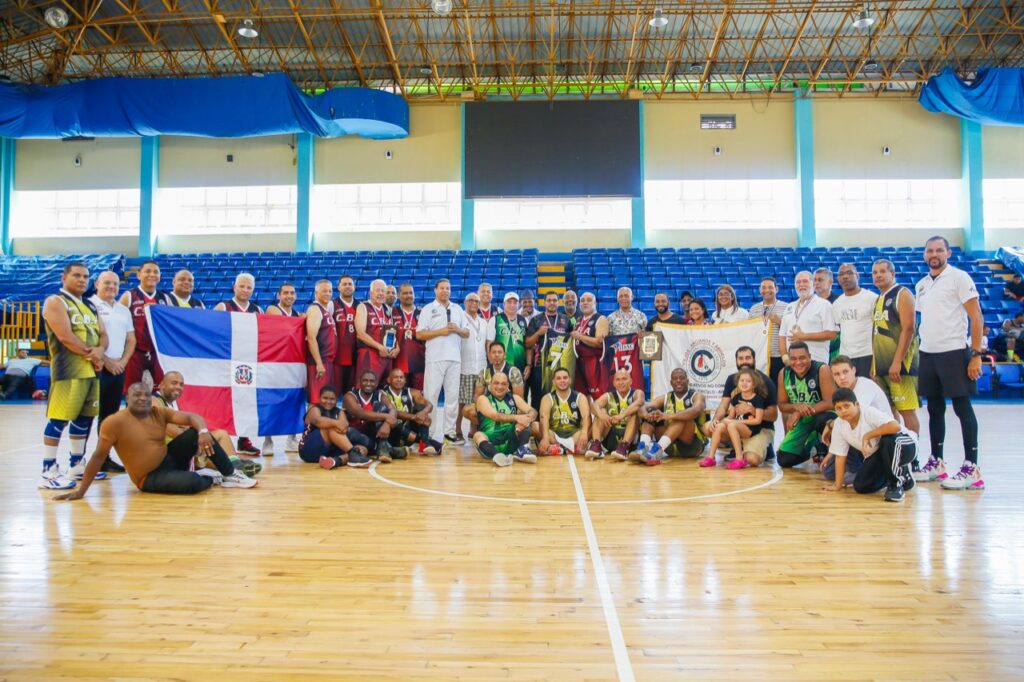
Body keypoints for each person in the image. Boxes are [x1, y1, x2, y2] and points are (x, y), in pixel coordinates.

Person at [54, 382, 256, 498]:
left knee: (198, 433)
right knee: (194, 483)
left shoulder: (157, 411)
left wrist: (202, 430)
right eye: (137, 395)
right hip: (148, 477)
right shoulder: (113, 423)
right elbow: (98, 458)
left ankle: (230, 475)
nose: (142, 399)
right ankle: (212, 479)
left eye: (146, 395)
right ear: (127, 397)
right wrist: (82, 491)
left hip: (169, 460)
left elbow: (191, 418)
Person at [914, 235, 985, 490]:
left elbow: (976, 316)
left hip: (955, 352)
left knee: (962, 408)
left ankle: (972, 468)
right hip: (928, 353)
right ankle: (937, 462)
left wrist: (975, 354)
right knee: (934, 409)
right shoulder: (922, 285)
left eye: (939, 250)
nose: (934, 254)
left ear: (948, 253)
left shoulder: (959, 278)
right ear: (924, 255)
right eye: (930, 250)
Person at [39, 262, 109, 490]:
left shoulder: (89, 304)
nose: (82, 280)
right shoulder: (55, 301)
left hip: (91, 371)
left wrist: (100, 351)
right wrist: (94, 356)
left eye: (86, 277)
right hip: (68, 370)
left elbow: (103, 336)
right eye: (77, 276)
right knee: (60, 418)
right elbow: (65, 336)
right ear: (64, 277)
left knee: (84, 419)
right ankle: (48, 470)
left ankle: (77, 465)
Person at [822, 388, 917, 503]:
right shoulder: (839, 424)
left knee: (887, 440)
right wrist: (837, 485)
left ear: (857, 404)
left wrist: (868, 435)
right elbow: (840, 456)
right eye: (839, 408)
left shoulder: (868, 412)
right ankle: (904, 476)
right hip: (881, 455)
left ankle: (895, 486)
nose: (843, 411)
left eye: (847, 406)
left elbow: (895, 426)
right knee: (861, 486)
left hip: (905, 445)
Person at [88, 271, 136, 473]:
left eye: (115, 284)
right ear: (97, 283)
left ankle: (103, 457)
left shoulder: (123, 310)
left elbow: (131, 339)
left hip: (118, 369)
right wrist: (106, 361)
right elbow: (87, 340)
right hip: (96, 367)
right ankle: (79, 459)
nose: (111, 287)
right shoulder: (89, 305)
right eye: (107, 283)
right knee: (88, 414)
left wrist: (123, 362)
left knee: (109, 415)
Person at [820, 355, 894, 484]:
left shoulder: (864, 386)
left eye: (845, 372)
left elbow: (850, 417)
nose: (842, 377)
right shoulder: (845, 390)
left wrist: (830, 425)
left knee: (837, 423)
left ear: (854, 370)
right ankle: (864, 470)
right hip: (862, 436)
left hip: (881, 438)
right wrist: (832, 452)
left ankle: (873, 472)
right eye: (837, 374)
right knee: (829, 473)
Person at [870, 258, 922, 437]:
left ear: (893, 274)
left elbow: (909, 328)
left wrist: (898, 361)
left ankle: (913, 453)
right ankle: (896, 450)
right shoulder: (879, 298)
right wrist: (874, 366)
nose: (878, 275)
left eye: (882, 271)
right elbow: (876, 334)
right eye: (875, 272)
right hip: (882, 366)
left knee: (906, 410)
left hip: (901, 366)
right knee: (889, 412)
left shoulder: (902, 293)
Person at [703, 346, 778, 468]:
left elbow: (774, 415)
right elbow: (723, 406)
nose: (744, 361)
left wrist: (751, 410)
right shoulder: (731, 380)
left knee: (752, 459)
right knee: (709, 427)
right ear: (736, 361)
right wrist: (716, 419)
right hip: (738, 425)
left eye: (748, 358)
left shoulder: (766, 382)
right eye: (741, 358)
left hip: (759, 428)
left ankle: (764, 448)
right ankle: (728, 451)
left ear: (754, 359)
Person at [214, 273, 263, 456]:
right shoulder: (223, 307)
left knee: (246, 400)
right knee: (223, 399)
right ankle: (219, 437)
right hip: (227, 360)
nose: (245, 290)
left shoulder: (257, 310)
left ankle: (243, 439)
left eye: (249, 287)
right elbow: (212, 332)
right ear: (234, 287)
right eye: (241, 286)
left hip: (247, 362)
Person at [417, 278, 470, 445]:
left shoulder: (458, 309)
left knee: (452, 398)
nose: (445, 291)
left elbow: (467, 332)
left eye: (448, 288)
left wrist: (457, 329)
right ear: (435, 290)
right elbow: (419, 334)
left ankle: (449, 433)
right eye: (442, 288)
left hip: (455, 359)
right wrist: (441, 331)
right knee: (431, 396)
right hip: (435, 359)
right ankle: (430, 433)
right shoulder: (428, 309)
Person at [153, 371, 239, 464]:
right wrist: (194, 441)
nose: (178, 387)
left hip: (180, 448)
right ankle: (235, 467)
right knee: (206, 447)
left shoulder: (171, 405)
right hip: (168, 454)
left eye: (181, 384)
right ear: (162, 384)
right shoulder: (154, 400)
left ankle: (236, 465)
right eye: (174, 383)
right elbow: (167, 428)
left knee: (222, 434)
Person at [776, 341, 835, 468]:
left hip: (824, 416)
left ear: (810, 356)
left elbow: (830, 402)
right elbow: (781, 405)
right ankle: (812, 447)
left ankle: (831, 451)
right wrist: (796, 407)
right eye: (793, 359)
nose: (798, 362)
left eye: (802, 358)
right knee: (784, 459)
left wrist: (798, 411)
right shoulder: (784, 374)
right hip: (804, 420)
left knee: (822, 420)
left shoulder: (822, 369)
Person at [636, 368, 707, 465]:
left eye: (681, 378)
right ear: (671, 382)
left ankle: (657, 452)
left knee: (682, 416)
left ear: (687, 381)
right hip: (669, 446)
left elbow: (696, 410)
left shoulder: (697, 396)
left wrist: (668, 416)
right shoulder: (665, 397)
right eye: (675, 378)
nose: (678, 380)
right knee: (652, 412)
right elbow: (642, 407)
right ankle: (643, 449)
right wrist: (646, 414)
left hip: (691, 446)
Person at [701, 369, 767, 469]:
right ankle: (711, 457)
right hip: (737, 425)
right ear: (737, 383)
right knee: (719, 426)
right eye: (742, 380)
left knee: (732, 425)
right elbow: (731, 416)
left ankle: (739, 459)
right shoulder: (736, 397)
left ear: (754, 384)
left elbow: (757, 420)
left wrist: (736, 421)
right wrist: (719, 420)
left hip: (751, 429)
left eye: (748, 381)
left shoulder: (758, 399)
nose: (744, 383)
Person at [118, 259, 164, 393]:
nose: (152, 274)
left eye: (156, 272)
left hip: (157, 352)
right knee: (132, 392)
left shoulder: (164, 298)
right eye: (148, 271)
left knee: (160, 392)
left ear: (160, 276)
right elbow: (119, 324)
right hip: (135, 352)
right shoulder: (129, 296)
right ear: (139, 275)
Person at [473, 372, 537, 467]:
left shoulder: (514, 398)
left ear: (508, 386)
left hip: (510, 437)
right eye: (496, 383)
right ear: (490, 385)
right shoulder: (483, 399)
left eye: (503, 384)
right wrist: (518, 417)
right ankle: (497, 456)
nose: (500, 386)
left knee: (524, 422)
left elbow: (533, 411)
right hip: (491, 440)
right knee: (478, 435)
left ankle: (521, 450)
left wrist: (528, 417)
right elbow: (495, 416)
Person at [299, 385, 370, 469]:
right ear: (319, 399)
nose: (328, 401)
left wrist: (340, 425)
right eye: (325, 398)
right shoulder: (314, 409)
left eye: (332, 399)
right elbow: (317, 421)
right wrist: (337, 423)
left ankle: (335, 461)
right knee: (330, 427)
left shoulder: (339, 412)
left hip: (328, 451)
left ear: (337, 400)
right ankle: (352, 453)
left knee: (362, 449)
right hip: (308, 449)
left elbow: (344, 427)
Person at [525, 291, 574, 409]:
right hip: (540, 366)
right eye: (549, 300)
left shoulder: (566, 320)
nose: (552, 303)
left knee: (560, 396)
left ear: (559, 303)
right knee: (538, 398)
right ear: (544, 303)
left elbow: (572, 342)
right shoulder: (536, 320)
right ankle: (537, 425)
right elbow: (527, 344)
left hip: (561, 366)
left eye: (554, 300)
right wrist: (538, 333)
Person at [464, 341, 526, 433]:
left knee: (523, 410)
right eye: (494, 352)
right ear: (489, 354)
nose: (497, 355)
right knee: (467, 410)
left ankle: (509, 429)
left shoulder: (513, 371)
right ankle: (487, 427)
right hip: (491, 407)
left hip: (509, 407)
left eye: (499, 352)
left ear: (504, 354)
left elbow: (519, 398)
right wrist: (485, 408)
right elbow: (477, 396)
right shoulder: (486, 372)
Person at [779, 270, 837, 365]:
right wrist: (785, 358)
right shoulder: (789, 307)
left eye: (805, 281)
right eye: (798, 282)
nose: (801, 284)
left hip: (816, 361)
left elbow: (831, 334)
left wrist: (804, 336)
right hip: (793, 362)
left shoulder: (824, 305)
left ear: (813, 284)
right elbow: (782, 336)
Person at [586, 369, 644, 461]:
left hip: (631, 439)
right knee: (601, 411)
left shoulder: (637, 393)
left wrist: (622, 415)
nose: (621, 382)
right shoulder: (608, 395)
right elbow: (593, 405)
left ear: (631, 381)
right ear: (613, 383)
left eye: (624, 379)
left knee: (634, 414)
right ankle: (597, 446)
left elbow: (638, 403)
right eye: (618, 379)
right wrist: (602, 415)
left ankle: (624, 447)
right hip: (611, 436)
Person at [831, 263, 878, 378]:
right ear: (838, 279)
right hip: (846, 357)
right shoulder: (837, 303)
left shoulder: (872, 298)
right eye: (841, 274)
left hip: (868, 354)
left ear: (857, 275)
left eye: (849, 273)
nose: (845, 277)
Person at [383, 368, 443, 456]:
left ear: (405, 380)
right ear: (389, 380)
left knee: (421, 408)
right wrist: (415, 417)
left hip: (409, 434)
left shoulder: (412, 392)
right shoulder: (383, 394)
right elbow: (394, 412)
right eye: (396, 377)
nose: (399, 380)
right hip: (393, 434)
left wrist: (423, 413)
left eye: (401, 377)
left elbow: (429, 405)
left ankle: (425, 444)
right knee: (393, 420)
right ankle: (427, 442)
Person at [342, 370, 396, 464]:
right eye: (365, 380)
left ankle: (382, 447)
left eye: (371, 381)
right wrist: (387, 417)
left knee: (381, 407)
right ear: (360, 381)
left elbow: (393, 409)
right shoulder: (350, 395)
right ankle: (385, 449)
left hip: (374, 434)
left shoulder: (379, 394)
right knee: (350, 432)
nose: (368, 383)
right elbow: (360, 413)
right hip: (356, 435)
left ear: (376, 382)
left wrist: (387, 424)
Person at [354, 278, 398, 392]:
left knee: (385, 388)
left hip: (386, 355)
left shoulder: (387, 309)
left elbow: (392, 331)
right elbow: (360, 334)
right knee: (366, 387)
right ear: (371, 292)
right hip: (370, 354)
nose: (381, 293)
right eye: (377, 290)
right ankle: (364, 409)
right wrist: (379, 347)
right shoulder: (363, 306)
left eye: (383, 291)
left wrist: (397, 347)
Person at [535, 368, 591, 455]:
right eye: (559, 378)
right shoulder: (547, 398)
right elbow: (543, 418)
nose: (562, 381)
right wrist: (545, 438)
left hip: (575, 435)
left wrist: (584, 433)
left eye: (565, 378)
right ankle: (571, 449)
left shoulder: (580, 397)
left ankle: (558, 449)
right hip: (554, 435)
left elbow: (586, 416)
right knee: (535, 426)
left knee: (591, 426)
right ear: (553, 381)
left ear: (570, 380)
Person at [457, 292, 488, 441]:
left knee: (478, 401)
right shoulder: (460, 318)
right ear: (465, 302)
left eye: (476, 301)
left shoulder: (484, 322)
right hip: (465, 366)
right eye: (471, 301)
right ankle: (457, 430)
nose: (474, 303)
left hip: (481, 367)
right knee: (461, 402)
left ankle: (473, 430)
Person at [305, 279, 338, 404]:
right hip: (319, 362)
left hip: (328, 361)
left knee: (325, 399)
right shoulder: (315, 309)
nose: (328, 293)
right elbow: (311, 337)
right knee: (318, 400)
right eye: (324, 291)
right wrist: (319, 363)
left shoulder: (326, 310)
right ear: (316, 293)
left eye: (330, 291)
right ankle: (313, 424)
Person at [749, 277, 788, 379]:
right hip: (759, 356)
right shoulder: (754, 309)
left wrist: (780, 322)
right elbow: (749, 332)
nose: (767, 290)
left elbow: (792, 330)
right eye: (764, 287)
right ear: (759, 290)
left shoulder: (787, 307)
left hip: (778, 355)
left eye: (770, 287)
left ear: (776, 289)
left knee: (778, 387)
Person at [572, 292, 609, 400]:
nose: (585, 303)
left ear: (595, 303)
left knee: (598, 396)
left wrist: (580, 336)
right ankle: (586, 417)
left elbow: (600, 342)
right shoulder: (579, 320)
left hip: (594, 362)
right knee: (582, 396)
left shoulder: (601, 319)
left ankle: (601, 417)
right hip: (579, 362)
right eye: (582, 300)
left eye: (588, 300)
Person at [486, 291, 529, 375]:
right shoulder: (495, 319)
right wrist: (491, 364)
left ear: (519, 305)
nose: (512, 305)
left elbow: (527, 345)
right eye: (509, 302)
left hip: (520, 366)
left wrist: (528, 365)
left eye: (515, 302)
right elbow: (489, 344)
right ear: (504, 304)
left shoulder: (524, 320)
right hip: (500, 366)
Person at [393, 282, 425, 391]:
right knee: (400, 393)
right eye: (405, 293)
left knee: (419, 394)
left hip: (419, 360)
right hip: (398, 360)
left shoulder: (423, 313)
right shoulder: (392, 312)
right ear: (398, 295)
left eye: (411, 293)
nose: (408, 295)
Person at [332, 275, 359, 391]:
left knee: (352, 393)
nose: (347, 286)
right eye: (344, 284)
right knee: (335, 391)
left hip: (355, 355)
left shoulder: (360, 306)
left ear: (354, 287)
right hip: (336, 356)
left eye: (350, 284)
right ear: (338, 287)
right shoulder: (331, 304)